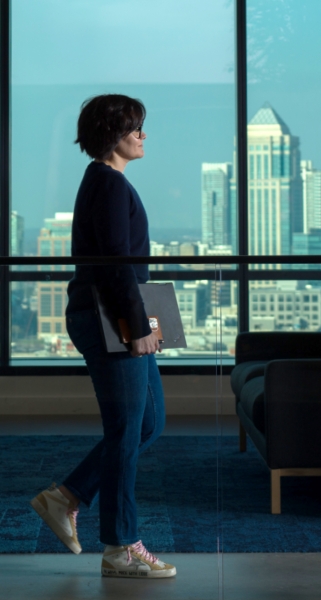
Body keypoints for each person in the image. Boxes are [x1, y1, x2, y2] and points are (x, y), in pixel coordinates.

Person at [29, 94, 176, 579]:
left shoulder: (107, 181)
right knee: (127, 431)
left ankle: (65, 497)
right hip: (110, 319)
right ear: (115, 133)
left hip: (119, 314)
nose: (143, 135)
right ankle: (120, 546)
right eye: (136, 127)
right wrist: (137, 329)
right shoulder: (108, 185)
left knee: (148, 422)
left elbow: (123, 266)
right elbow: (115, 266)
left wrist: (145, 323)